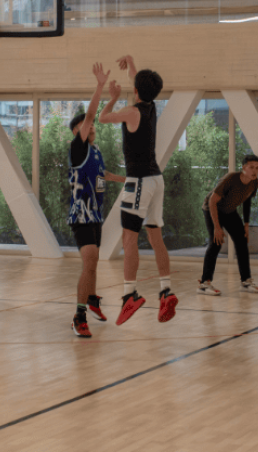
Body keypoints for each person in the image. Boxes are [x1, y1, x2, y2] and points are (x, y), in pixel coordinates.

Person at [99, 54, 178, 325]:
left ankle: (129, 295)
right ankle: (166, 291)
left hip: (139, 182)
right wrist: (132, 64)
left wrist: (112, 95)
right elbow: (139, 84)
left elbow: (102, 117)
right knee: (156, 238)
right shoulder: (151, 107)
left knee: (128, 239)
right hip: (157, 179)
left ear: (135, 91)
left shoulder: (131, 111)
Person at [69, 63, 128, 338]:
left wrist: (125, 180)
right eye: (85, 125)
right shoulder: (78, 148)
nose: (90, 126)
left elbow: (102, 177)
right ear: (77, 131)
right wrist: (101, 87)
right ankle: (79, 315)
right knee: (89, 260)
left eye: (89, 125)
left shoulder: (96, 151)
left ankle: (92, 299)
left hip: (95, 216)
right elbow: (92, 113)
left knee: (93, 264)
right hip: (80, 214)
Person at [198, 156, 258, 296]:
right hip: (212, 209)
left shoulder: (254, 182)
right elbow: (212, 201)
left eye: (257, 168)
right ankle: (204, 284)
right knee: (216, 243)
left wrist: (246, 224)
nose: (255, 171)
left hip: (229, 211)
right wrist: (217, 227)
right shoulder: (230, 179)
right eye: (251, 167)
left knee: (241, 241)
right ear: (244, 167)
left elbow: (247, 201)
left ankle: (246, 281)